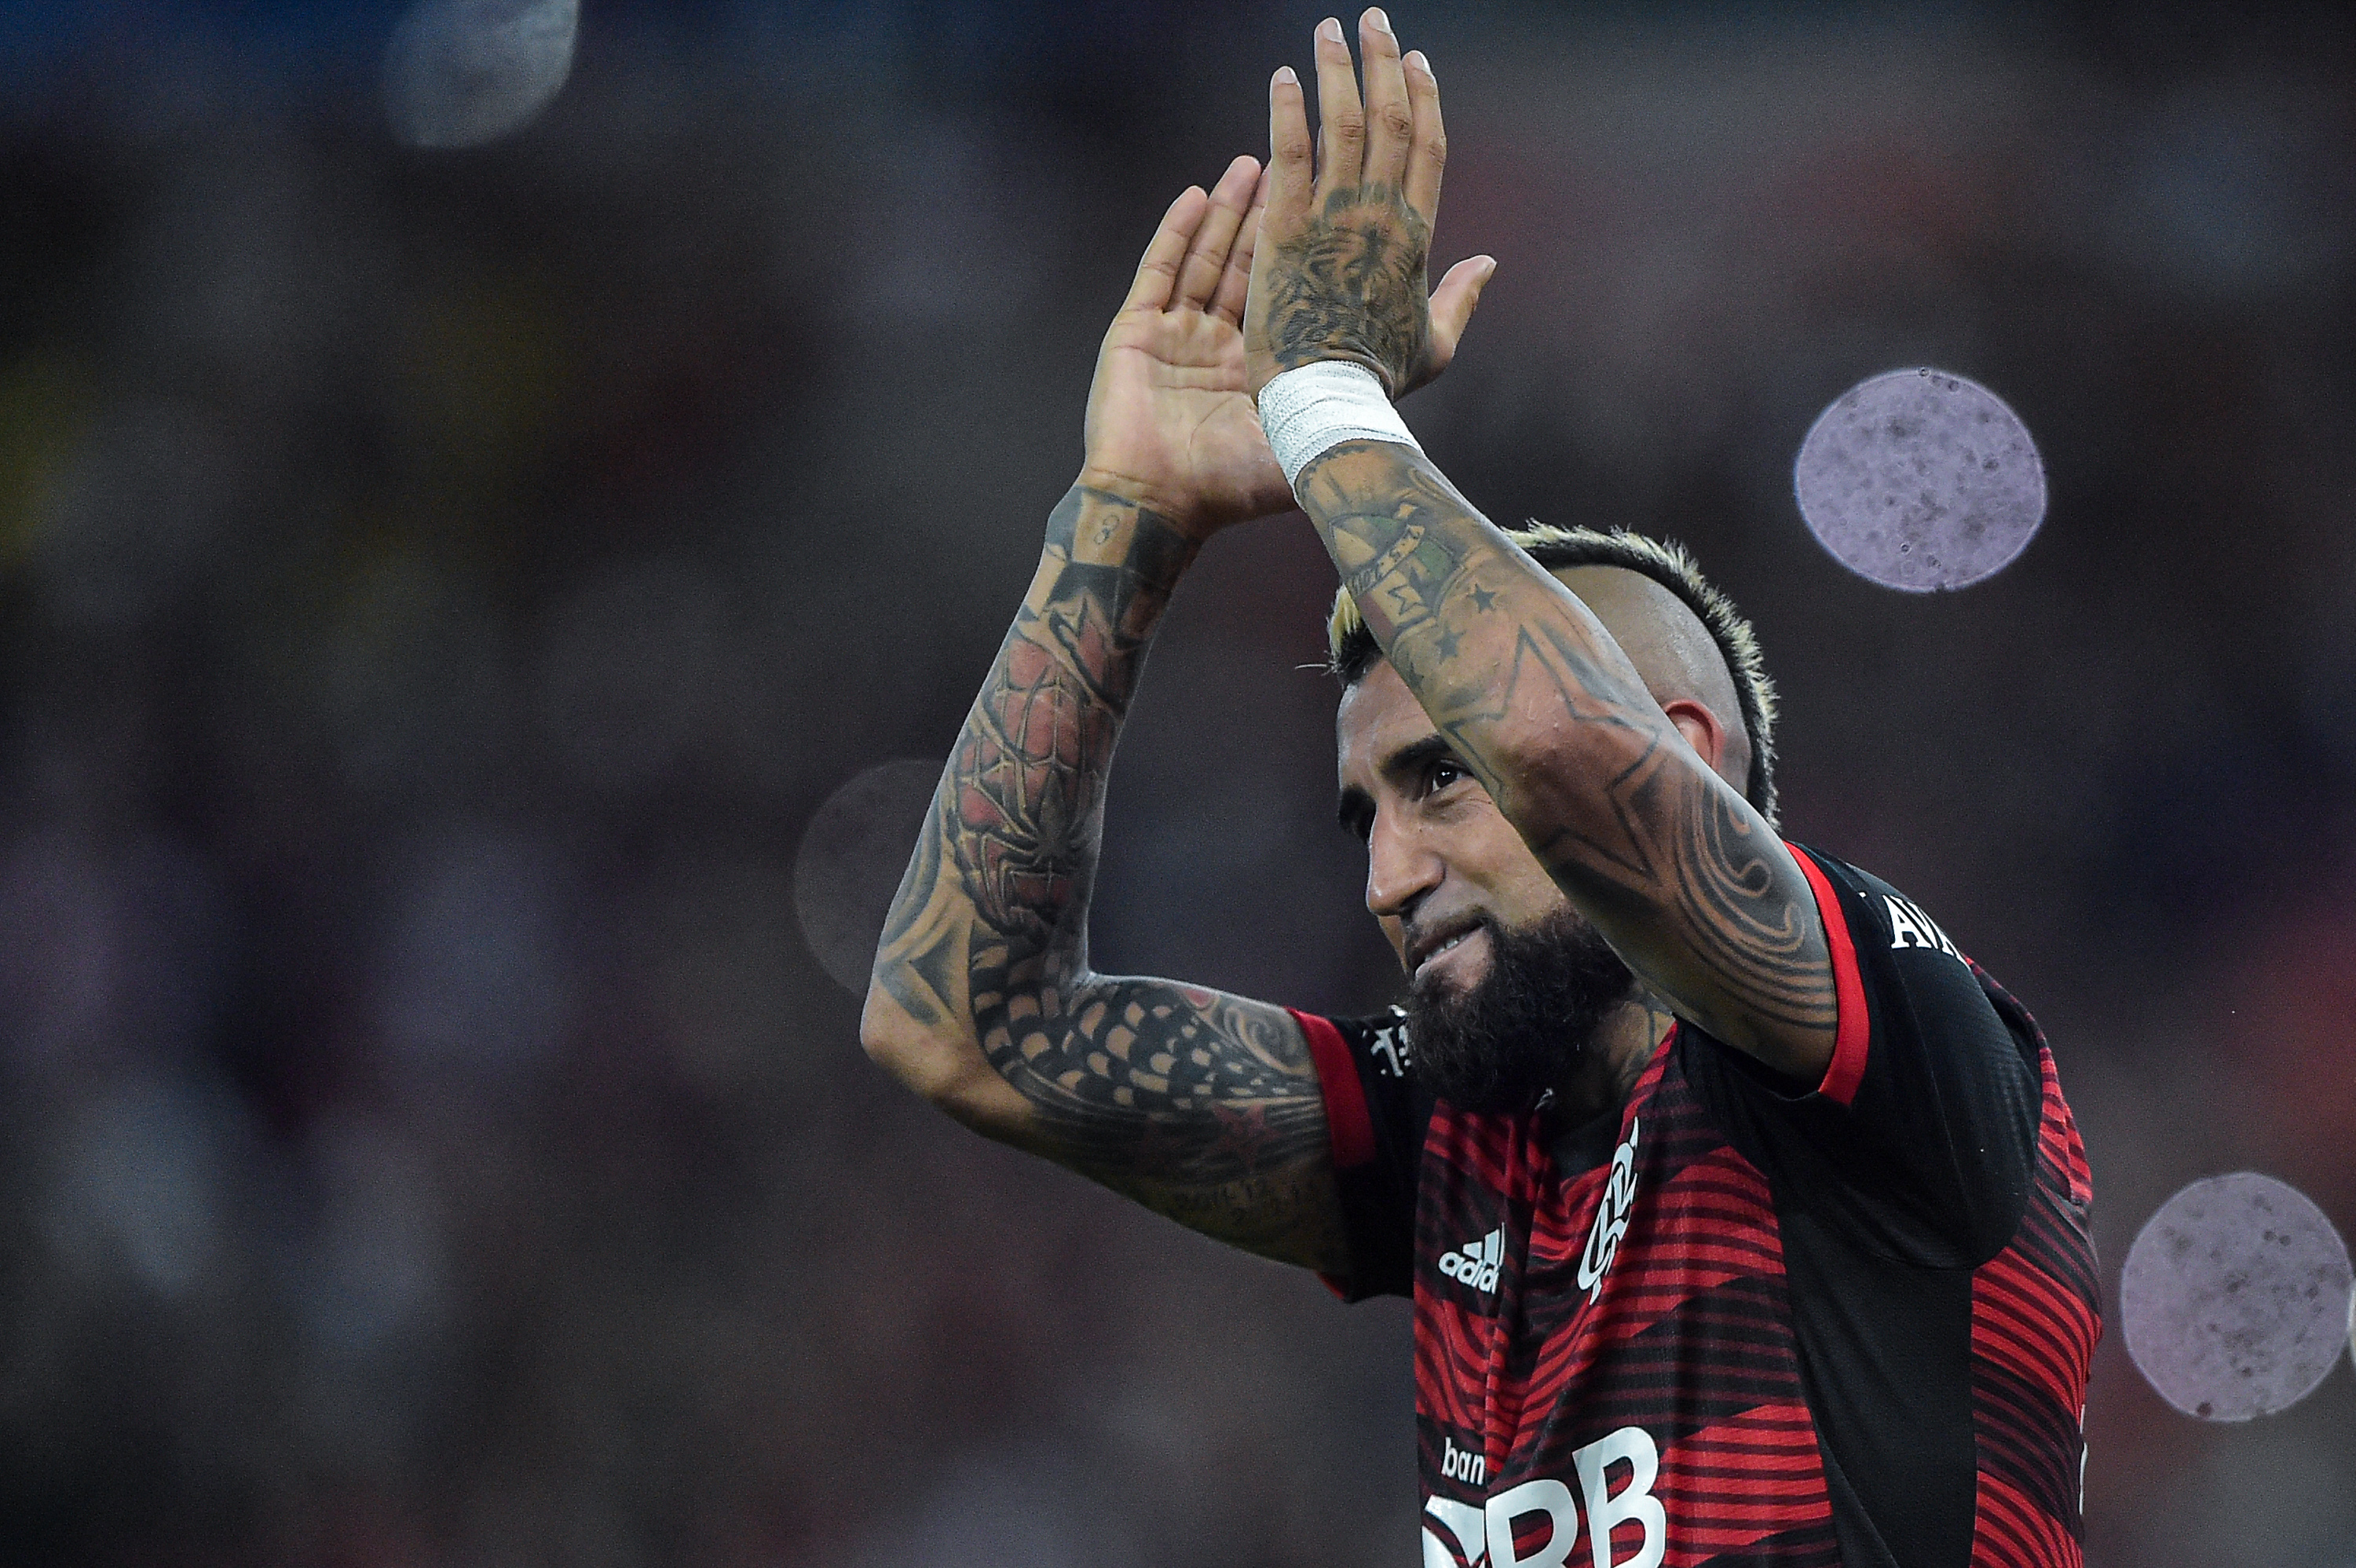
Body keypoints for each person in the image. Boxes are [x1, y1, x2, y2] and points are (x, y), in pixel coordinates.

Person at [862, 12, 2098, 1566]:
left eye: (1442, 777)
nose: (1387, 877)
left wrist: (1326, 398)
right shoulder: (1459, 1143)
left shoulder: (1898, 1046)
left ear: (1688, 753)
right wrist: (1129, 509)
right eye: (1365, 816)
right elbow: (963, 1028)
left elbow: (1572, 756)